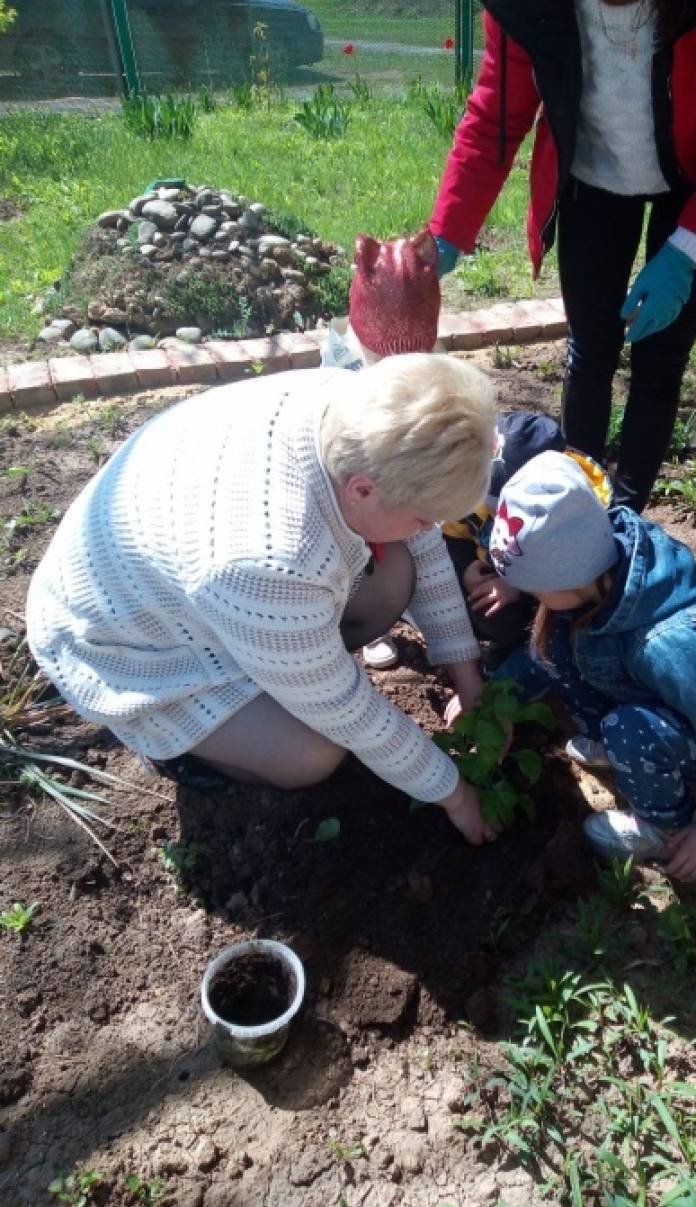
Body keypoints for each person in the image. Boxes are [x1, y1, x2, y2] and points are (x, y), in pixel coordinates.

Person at [26, 355, 500, 846]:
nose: (429, 531)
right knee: (312, 754)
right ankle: (176, 749)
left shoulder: (365, 413)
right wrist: (456, 795)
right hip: (130, 649)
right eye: (425, 518)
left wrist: (466, 675)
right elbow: (349, 711)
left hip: (201, 585)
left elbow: (422, 545)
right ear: (362, 490)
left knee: (396, 573)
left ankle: (283, 659)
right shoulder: (267, 563)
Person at [429, 0, 696, 512]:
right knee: (590, 349)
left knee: (661, 359)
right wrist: (446, 233)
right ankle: (576, 513)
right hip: (592, 171)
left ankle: (625, 519)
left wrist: (687, 249)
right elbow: (497, 108)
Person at [488, 450, 696, 881]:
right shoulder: (599, 567)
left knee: (630, 728)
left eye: (537, 589)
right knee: (553, 644)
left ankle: (664, 824)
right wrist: (494, 697)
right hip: (654, 688)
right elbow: (538, 654)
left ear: (572, 576)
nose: (531, 597)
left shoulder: (667, 643)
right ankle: (613, 741)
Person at [321, 228, 443, 671]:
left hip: (395, 486)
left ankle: (410, 603)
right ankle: (362, 623)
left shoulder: (429, 360)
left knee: (411, 532)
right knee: (354, 548)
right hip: (347, 502)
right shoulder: (339, 375)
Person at [442, 410, 612, 676]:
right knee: (451, 589)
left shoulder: (571, 508)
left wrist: (517, 585)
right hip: (501, 569)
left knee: (510, 617)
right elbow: (453, 535)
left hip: (553, 590)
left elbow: (567, 575)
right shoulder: (477, 484)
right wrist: (466, 567)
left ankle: (532, 660)